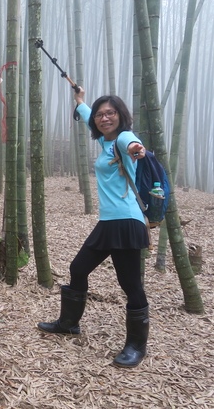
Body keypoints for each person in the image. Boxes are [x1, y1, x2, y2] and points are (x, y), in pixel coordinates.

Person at [37, 88, 150, 368]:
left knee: (130, 284)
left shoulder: (124, 138)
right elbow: (89, 116)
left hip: (126, 222)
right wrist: (80, 100)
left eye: (110, 113)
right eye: (100, 115)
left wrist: (138, 149)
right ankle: (69, 323)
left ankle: (136, 345)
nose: (104, 118)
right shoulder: (105, 143)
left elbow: (133, 145)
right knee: (78, 268)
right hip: (108, 223)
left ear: (121, 115)